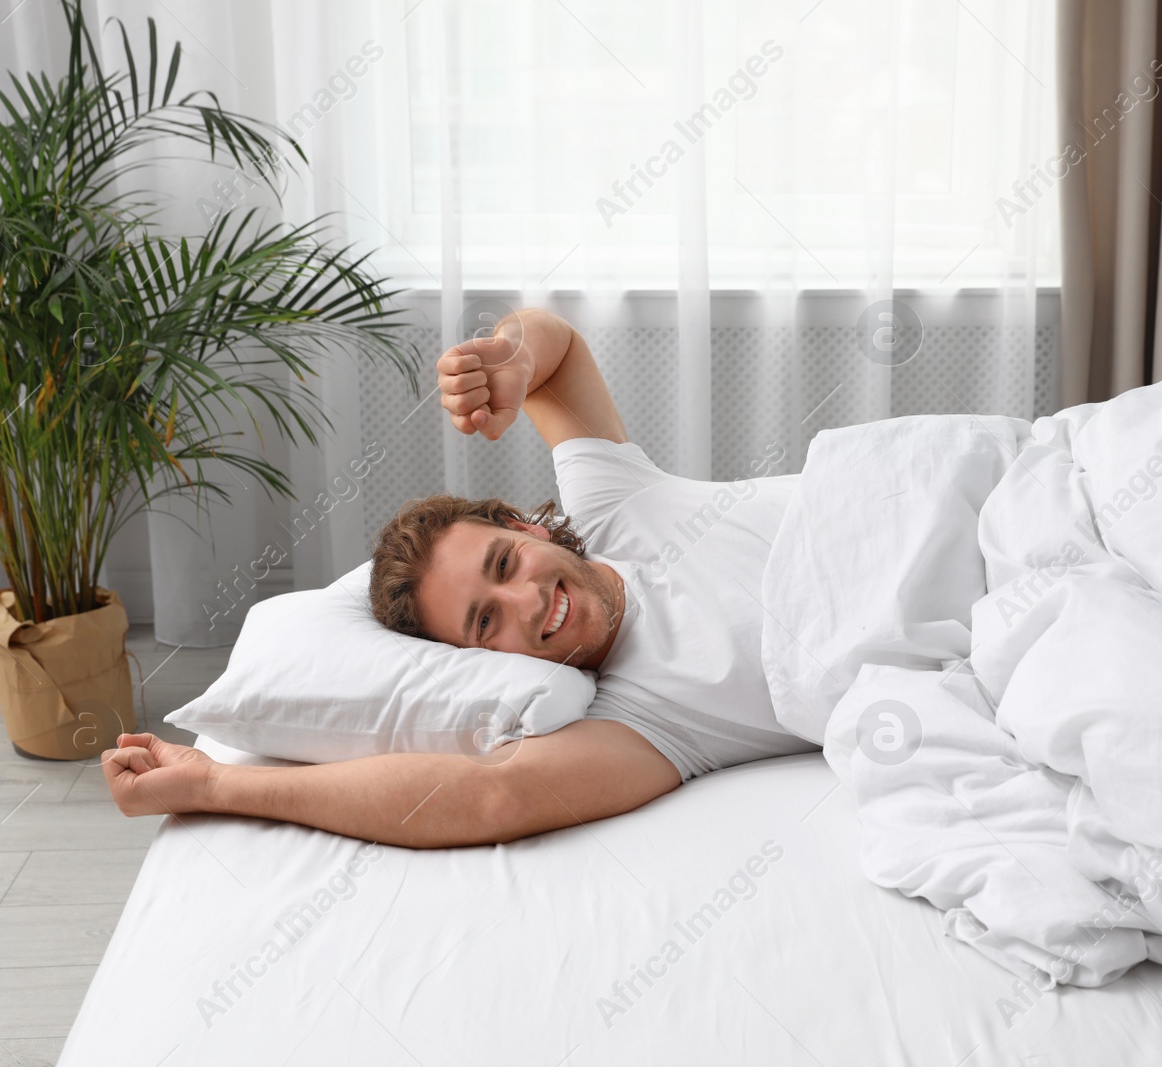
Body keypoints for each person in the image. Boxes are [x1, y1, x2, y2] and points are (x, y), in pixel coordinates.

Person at [101, 309, 818, 846]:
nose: (527, 601)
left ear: (524, 525)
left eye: (503, 564)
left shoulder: (614, 506)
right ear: (484, 661)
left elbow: (557, 352)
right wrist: (219, 783)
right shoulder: (643, 720)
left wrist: (507, 354)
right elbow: (489, 796)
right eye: (485, 621)